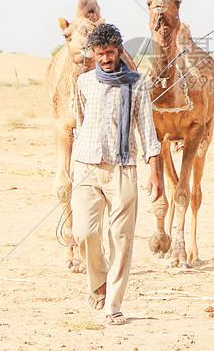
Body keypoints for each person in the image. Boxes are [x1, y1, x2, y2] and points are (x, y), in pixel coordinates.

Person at [70, 23, 162, 325]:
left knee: (121, 239)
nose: (106, 59)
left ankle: (113, 305)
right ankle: (98, 281)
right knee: (83, 232)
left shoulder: (136, 84)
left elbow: (148, 131)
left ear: (119, 51)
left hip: (123, 168)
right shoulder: (83, 83)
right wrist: (74, 164)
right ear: (94, 54)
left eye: (110, 53)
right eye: (100, 54)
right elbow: (81, 124)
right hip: (86, 166)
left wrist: (155, 173)